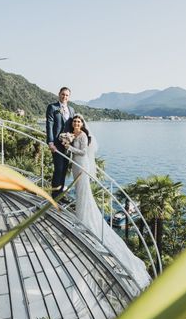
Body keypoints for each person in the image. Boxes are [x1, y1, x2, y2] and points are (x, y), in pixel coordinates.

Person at [65, 114, 151, 289]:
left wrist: (68, 146)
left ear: (82, 124)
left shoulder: (82, 136)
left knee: (83, 193)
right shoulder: (72, 134)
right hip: (75, 165)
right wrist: (68, 141)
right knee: (80, 193)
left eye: (79, 121)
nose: (76, 123)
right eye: (74, 121)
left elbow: (82, 152)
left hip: (81, 164)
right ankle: (80, 215)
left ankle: (84, 219)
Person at [45, 87, 75, 197]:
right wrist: (50, 142)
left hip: (67, 145)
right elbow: (49, 125)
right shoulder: (52, 107)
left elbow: (73, 127)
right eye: (63, 94)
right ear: (59, 94)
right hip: (56, 144)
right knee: (58, 169)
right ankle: (54, 195)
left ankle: (60, 195)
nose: (64, 97)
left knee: (64, 170)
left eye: (67, 95)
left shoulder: (71, 109)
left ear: (69, 97)